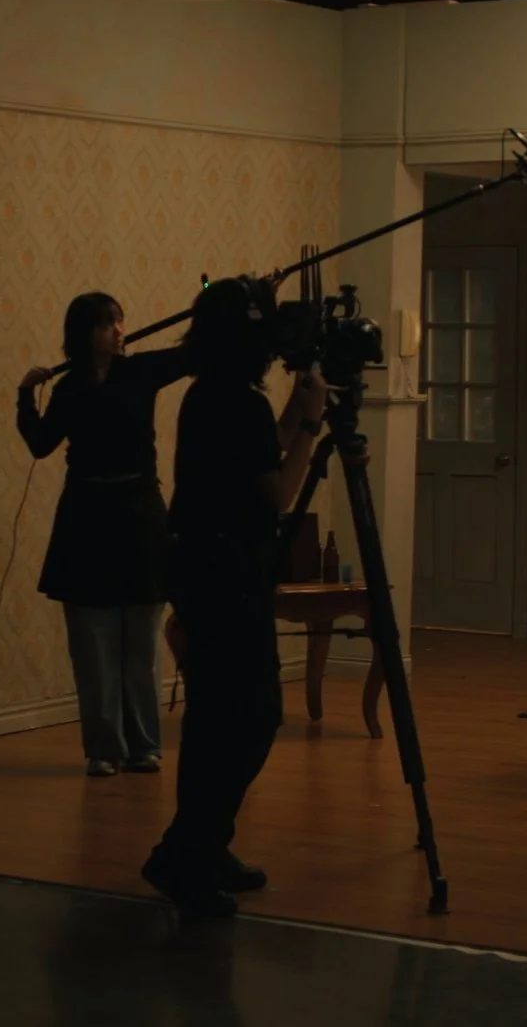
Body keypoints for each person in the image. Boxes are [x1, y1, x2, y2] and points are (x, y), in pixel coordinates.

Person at [141, 277, 327, 917]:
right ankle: (185, 852)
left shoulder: (206, 395)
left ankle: (202, 846)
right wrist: (311, 424)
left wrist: (296, 417)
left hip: (202, 567)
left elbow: (259, 450)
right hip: (229, 574)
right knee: (247, 717)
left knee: (215, 720)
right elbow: (277, 489)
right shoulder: (240, 402)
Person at [17, 292, 190, 778]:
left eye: (120, 321)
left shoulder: (141, 371)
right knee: (93, 642)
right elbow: (40, 443)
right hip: (87, 516)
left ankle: (144, 746)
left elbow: (192, 353)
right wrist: (25, 396)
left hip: (139, 513)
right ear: (83, 334)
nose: (118, 330)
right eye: (106, 323)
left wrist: (226, 303)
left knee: (140, 638)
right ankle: (102, 748)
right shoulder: (70, 388)